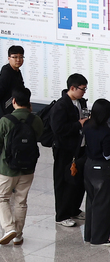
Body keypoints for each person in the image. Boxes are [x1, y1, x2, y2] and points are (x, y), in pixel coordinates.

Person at [0, 87, 44, 246]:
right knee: (21, 201)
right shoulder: (36, 120)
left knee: (2, 197)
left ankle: (9, 228)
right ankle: (18, 236)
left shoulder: (6, 121)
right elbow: (39, 136)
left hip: (8, 168)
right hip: (28, 167)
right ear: (29, 102)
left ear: (13, 101)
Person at [48, 73, 89, 227]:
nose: (84, 92)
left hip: (80, 147)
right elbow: (58, 129)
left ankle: (73, 209)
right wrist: (79, 124)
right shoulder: (61, 106)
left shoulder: (80, 102)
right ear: (72, 88)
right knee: (63, 181)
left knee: (78, 180)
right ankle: (61, 215)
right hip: (64, 149)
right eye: (82, 89)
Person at [82, 99, 110, 245]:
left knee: (91, 201)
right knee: (102, 203)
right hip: (102, 169)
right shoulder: (106, 132)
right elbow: (107, 154)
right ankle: (99, 238)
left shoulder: (87, 125)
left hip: (88, 166)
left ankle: (89, 235)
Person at [0, 45, 25, 121]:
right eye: (15, 57)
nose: (18, 60)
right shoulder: (7, 72)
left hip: (13, 112)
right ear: (9, 58)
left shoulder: (17, 71)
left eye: (21, 57)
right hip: (5, 115)